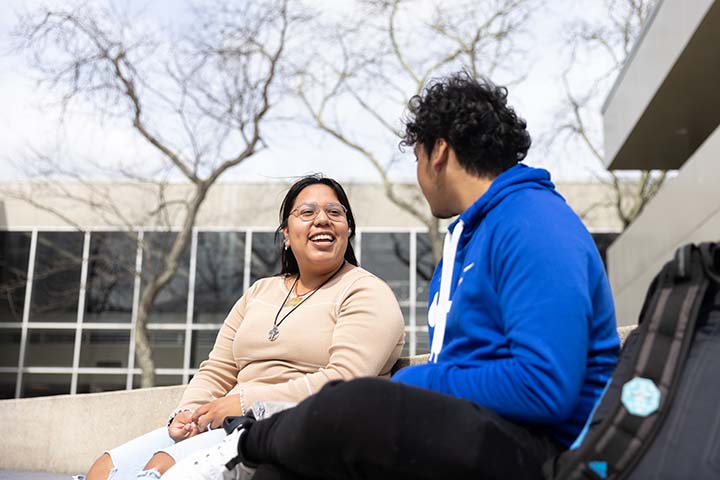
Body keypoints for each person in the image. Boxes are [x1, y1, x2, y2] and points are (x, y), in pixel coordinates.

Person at [164, 71, 620, 480]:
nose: (420, 177)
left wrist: (411, 387)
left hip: (553, 454)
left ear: (438, 151)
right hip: (478, 433)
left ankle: (240, 446)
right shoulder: (466, 240)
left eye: (417, 158)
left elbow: (544, 387)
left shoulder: (534, 223)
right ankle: (242, 457)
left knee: (355, 402)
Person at [84, 175, 405, 480]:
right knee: (104, 468)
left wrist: (247, 400)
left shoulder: (365, 291)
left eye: (334, 212)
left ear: (348, 229)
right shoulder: (260, 292)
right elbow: (218, 368)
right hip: (228, 421)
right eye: (307, 212)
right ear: (286, 234)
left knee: (163, 467)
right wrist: (188, 413)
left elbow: (345, 381)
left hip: (295, 428)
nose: (322, 219)